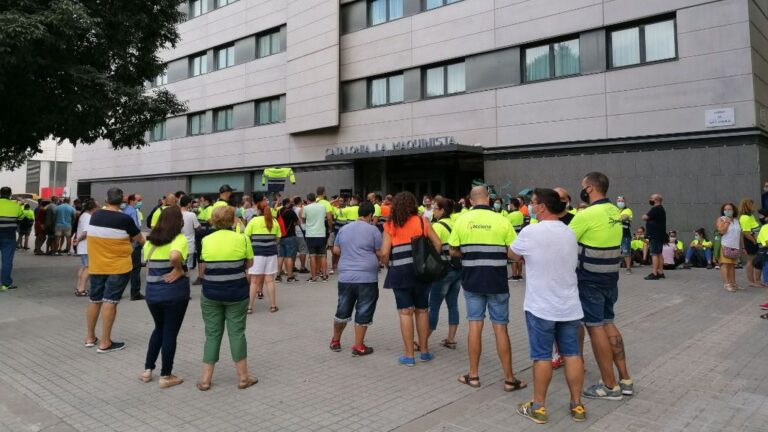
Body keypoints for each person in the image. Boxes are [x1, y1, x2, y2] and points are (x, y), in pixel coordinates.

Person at [509, 189, 586, 424]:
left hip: (540, 305)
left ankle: (538, 407)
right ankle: (577, 405)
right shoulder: (569, 232)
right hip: (570, 305)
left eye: (533, 203)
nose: (531, 207)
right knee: (573, 355)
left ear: (542, 207)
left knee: (542, 356)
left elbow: (513, 255)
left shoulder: (531, 231)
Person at [449, 186, 526, 391]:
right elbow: (514, 253)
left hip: (472, 281)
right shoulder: (503, 220)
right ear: (489, 200)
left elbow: (453, 250)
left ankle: (473, 375)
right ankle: (509, 379)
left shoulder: (462, 221)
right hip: (497, 282)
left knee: (475, 326)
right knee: (501, 328)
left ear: (471, 201)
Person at [570, 172, 632, 400]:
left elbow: (564, 241)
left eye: (582, 186)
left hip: (589, 280)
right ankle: (625, 380)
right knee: (608, 324)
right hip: (610, 278)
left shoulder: (588, 214)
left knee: (595, 328)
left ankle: (609, 385)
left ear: (590, 188)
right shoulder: (614, 211)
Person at [197, 206, 257, 391]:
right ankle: (243, 377)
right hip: (237, 292)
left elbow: (204, 264)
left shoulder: (206, 240)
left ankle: (206, 379)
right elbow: (249, 263)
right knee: (237, 333)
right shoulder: (243, 238)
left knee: (212, 334)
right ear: (233, 220)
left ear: (213, 221)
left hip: (211, 292)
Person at [380, 191, 442, 366]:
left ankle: (408, 356)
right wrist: (428, 262)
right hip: (421, 272)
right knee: (422, 310)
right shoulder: (423, 221)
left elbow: (384, 253)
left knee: (405, 311)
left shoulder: (390, 225)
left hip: (399, 273)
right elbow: (437, 244)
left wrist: (387, 263)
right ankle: (424, 352)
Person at [82, 188, 145, 353]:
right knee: (110, 301)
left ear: (106, 199)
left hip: (96, 265)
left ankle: (90, 338)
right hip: (118, 266)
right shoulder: (124, 219)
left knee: (95, 300)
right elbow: (140, 239)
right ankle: (105, 342)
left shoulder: (95, 215)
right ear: (122, 201)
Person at [139, 206, 189, 389]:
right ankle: (166, 375)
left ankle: (147, 370)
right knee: (170, 333)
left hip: (152, 293)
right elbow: (175, 255)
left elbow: (147, 266)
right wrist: (178, 269)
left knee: (158, 329)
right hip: (174, 293)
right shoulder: (179, 239)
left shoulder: (150, 241)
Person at [329, 202, 382, 355]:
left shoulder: (344, 229)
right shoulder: (373, 231)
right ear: (371, 215)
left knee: (342, 309)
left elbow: (337, 249)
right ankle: (358, 346)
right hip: (367, 277)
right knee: (364, 309)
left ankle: (335, 341)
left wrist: (350, 252)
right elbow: (379, 252)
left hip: (346, 276)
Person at [428, 197, 461, 349]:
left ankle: (423, 338)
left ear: (442, 210)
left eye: (435, 208)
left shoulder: (437, 226)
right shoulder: (457, 224)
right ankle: (451, 338)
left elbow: (432, 248)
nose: (433, 211)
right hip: (457, 269)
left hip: (443, 271)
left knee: (433, 305)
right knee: (453, 305)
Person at [245, 196, 281, 313]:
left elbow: (246, 236)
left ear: (258, 210)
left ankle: (249, 307)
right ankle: (273, 306)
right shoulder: (274, 222)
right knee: (270, 280)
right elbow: (278, 239)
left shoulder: (253, 221)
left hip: (256, 254)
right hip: (271, 254)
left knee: (254, 281)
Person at [0, 187, 23, 291]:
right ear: (10, 194)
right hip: (9, 237)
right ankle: (5, 284)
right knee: (7, 261)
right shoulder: (15, 206)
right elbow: (21, 218)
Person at [716, 203, 742, 292]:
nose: (728, 211)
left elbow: (739, 234)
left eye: (730, 209)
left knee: (732, 265)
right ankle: (727, 284)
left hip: (735, 246)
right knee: (725, 264)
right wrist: (727, 222)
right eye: (725, 209)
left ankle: (733, 283)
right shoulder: (721, 219)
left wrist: (742, 247)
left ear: (733, 210)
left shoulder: (736, 220)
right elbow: (722, 231)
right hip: (725, 245)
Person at [74, 200, 98, 296]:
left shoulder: (84, 215)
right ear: (93, 208)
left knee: (84, 267)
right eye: (97, 206)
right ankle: (81, 289)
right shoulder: (88, 217)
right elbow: (86, 232)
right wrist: (78, 240)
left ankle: (78, 286)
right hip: (86, 246)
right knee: (88, 267)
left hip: (84, 246)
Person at [124, 194, 146, 301]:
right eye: (138, 200)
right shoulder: (132, 211)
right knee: (135, 268)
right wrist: (141, 241)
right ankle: (135, 292)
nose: (139, 202)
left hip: (126, 243)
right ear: (132, 200)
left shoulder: (126, 210)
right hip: (134, 243)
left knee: (126, 268)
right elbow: (134, 229)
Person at [303, 193, 327, 283]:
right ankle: (324, 276)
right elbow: (324, 216)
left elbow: (303, 218)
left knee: (312, 256)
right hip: (321, 233)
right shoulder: (322, 206)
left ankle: (313, 277)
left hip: (310, 234)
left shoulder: (306, 208)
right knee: (323, 256)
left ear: (308, 200)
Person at [642, 194, 666, 280]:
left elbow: (645, 217)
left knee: (654, 254)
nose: (650, 199)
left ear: (656, 200)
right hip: (660, 235)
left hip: (655, 235)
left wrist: (644, 216)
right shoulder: (661, 209)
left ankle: (654, 273)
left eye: (651, 198)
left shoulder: (655, 209)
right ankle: (661, 272)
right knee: (659, 253)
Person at [738, 199, 762, 287]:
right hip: (750, 242)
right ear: (747, 206)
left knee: (755, 261)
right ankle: (751, 282)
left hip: (755, 241)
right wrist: (755, 241)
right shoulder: (745, 218)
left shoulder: (750, 216)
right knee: (751, 261)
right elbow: (746, 233)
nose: (754, 207)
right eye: (752, 205)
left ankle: (756, 280)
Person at [276, 199, 299, 283]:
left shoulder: (278, 211)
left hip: (281, 236)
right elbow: (298, 222)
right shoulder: (291, 212)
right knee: (289, 257)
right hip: (290, 236)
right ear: (288, 203)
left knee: (281, 256)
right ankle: (290, 276)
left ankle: (278, 276)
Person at [180, 195, 200, 274]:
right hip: (189, 244)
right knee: (188, 267)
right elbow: (198, 227)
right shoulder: (192, 215)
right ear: (188, 204)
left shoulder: (175, 214)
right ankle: (186, 282)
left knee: (180, 265)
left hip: (178, 244)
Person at [616, 196, 634, 274]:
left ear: (625, 202)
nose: (620, 202)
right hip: (615, 234)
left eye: (622, 201)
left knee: (626, 252)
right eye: (619, 201)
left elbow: (624, 217)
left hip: (625, 234)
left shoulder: (627, 210)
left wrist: (615, 218)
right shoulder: (615, 210)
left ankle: (628, 268)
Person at [292, 196, 310, 274]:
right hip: (301, 231)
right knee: (303, 250)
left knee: (294, 250)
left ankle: (292, 266)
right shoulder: (300, 209)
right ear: (300, 202)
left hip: (294, 231)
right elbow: (303, 219)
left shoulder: (293, 209)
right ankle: (302, 267)